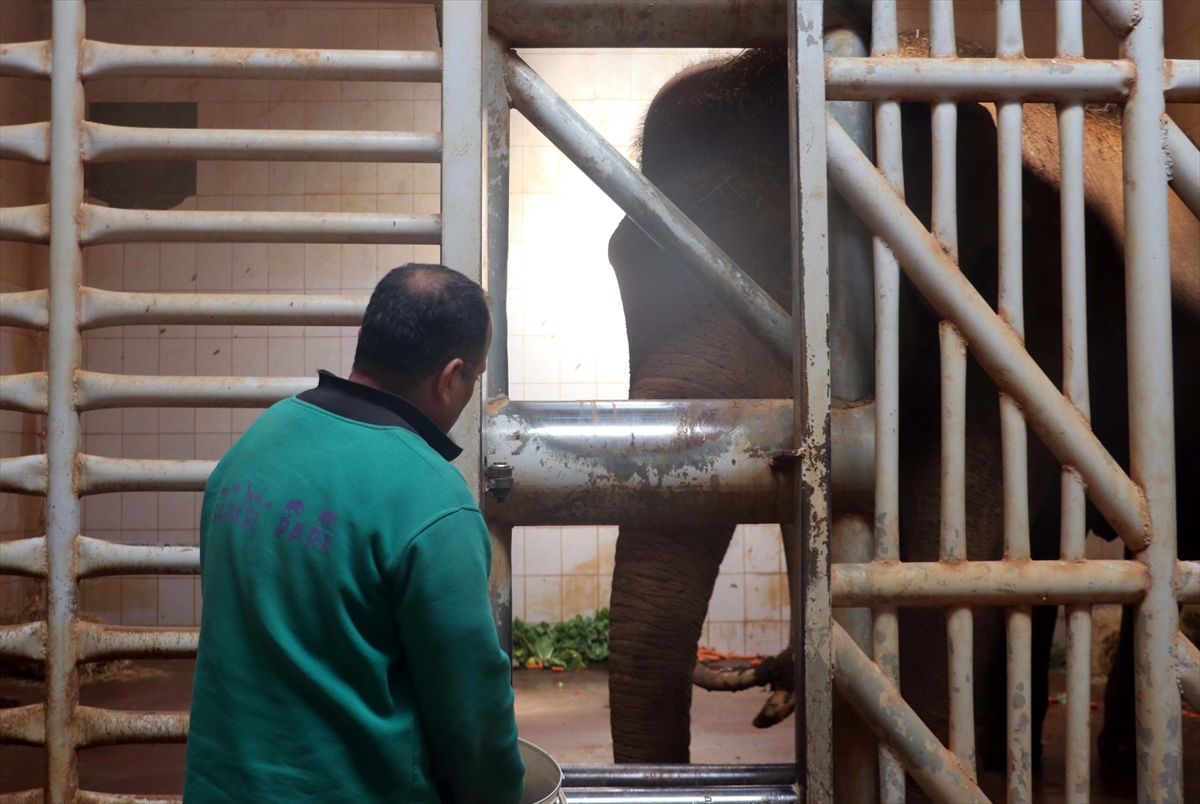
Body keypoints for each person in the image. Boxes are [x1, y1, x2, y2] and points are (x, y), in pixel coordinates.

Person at [184, 264, 525, 803]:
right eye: (476, 377)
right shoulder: (432, 498)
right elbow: (471, 715)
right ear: (450, 376)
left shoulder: (255, 445)